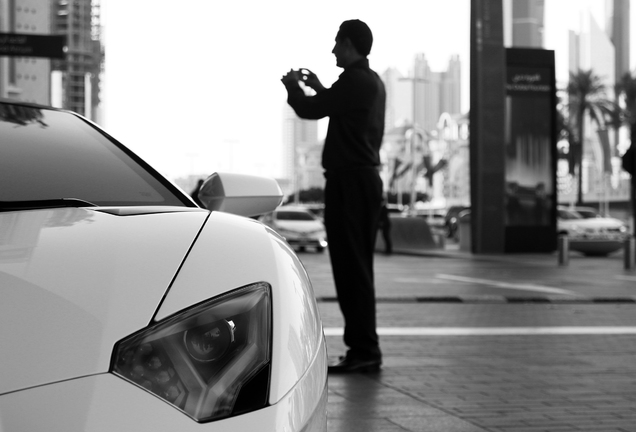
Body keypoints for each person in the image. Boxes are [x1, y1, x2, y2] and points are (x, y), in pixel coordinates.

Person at [281, 19, 386, 373]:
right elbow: (337, 105)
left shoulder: (355, 81)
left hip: (351, 183)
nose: (332, 50)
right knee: (357, 268)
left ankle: (364, 350)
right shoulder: (369, 82)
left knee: (350, 268)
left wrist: (293, 87)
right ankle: (363, 348)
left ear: (350, 44)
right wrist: (319, 86)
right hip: (361, 182)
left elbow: (312, 109)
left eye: (337, 43)